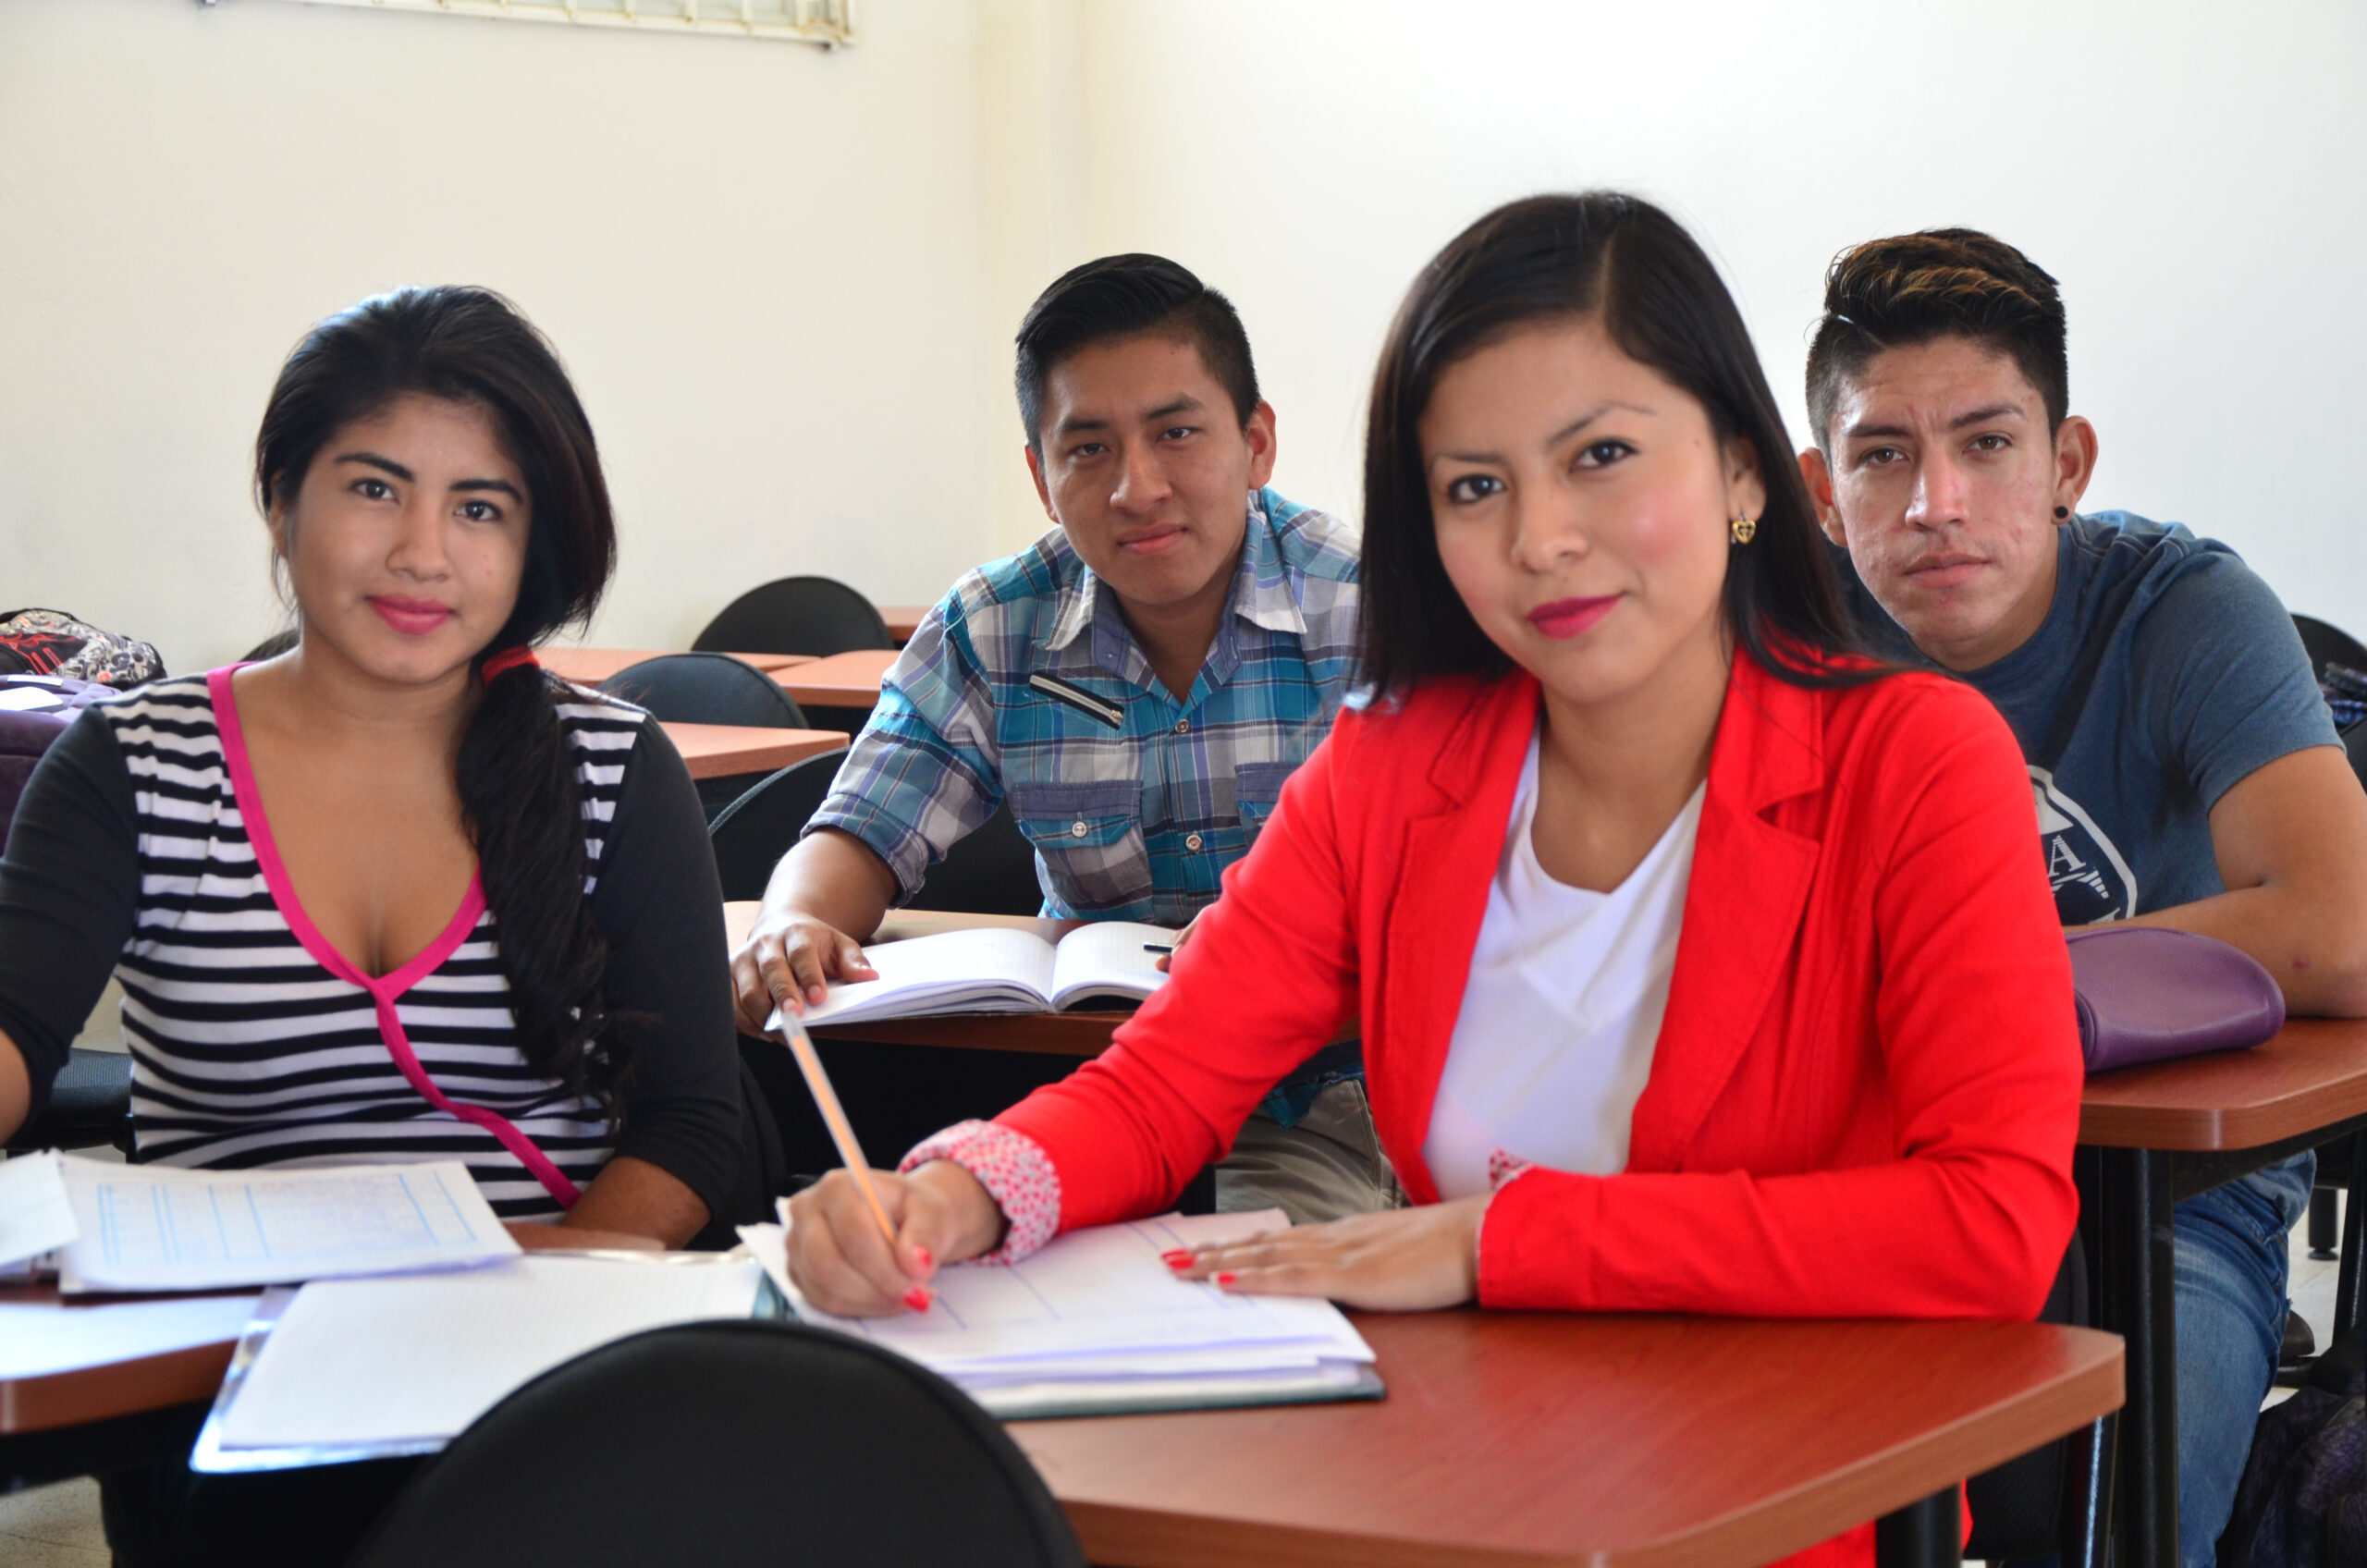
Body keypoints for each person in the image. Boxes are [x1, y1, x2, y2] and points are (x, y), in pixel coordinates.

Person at [784, 193, 2086, 1568]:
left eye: (1600, 456)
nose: (1539, 538)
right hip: (1453, 1482)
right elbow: (1169, 1079)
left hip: (1775, 1509)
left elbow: (1989, 1224)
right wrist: (951, 1200)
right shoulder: (1395, 765)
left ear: (1748, 473)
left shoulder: (1917, 764)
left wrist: (1496, 1246)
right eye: (1476, 485)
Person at [0, 287, 767, 1564]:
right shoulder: (134, 762)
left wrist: (533, 1305)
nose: (424, 552)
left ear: (536, 546)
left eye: (481, 509)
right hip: (239, 1365)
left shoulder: (613, 771)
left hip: (552, 1333)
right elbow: (15, 1032)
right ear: (282, 498)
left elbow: (695, 1119)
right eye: (374, 489)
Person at [1797, 227, 2367, 1567]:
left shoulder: (2181, 607)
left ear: (2066, 463)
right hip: (1869, 1180)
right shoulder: (1775, 634)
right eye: (1883, 455)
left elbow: (2342, 925)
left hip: (2163, 1193)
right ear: (1824, 491)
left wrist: (1957, 983)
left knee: (2126, 1516)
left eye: (1987, 444)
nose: (1936, 499)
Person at [730, 253, 1394, 1222]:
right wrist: (795, 919)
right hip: (1095, 1083)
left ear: (1256, 443)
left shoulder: (1369, 611)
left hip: (1328, 1089)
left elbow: (1459, 912)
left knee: (1246, 1301)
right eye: (1087, 450)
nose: (1137, 486)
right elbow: (866, 822)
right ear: (1043, 478)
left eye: (1176, 434)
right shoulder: (997, 624)